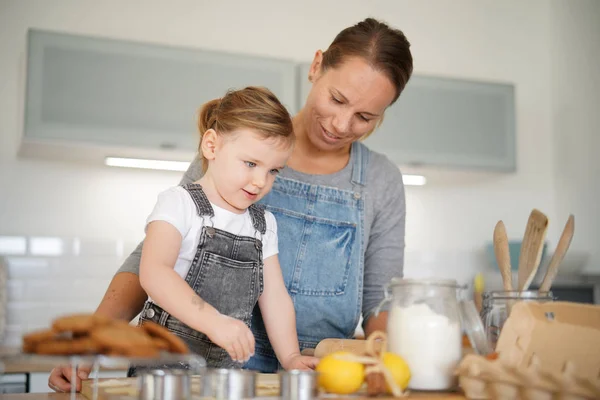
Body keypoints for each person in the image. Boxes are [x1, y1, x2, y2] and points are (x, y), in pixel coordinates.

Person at [49, 16, 413, 392]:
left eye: (365, 117)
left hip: (314, 377)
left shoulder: (381, 180)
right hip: (214, 373)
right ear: (317, 66)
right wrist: (91, 340)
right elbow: (155, 259)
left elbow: (380, 300)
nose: (340, 123)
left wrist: (378, 362)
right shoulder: (236, 144)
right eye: (337, 99)